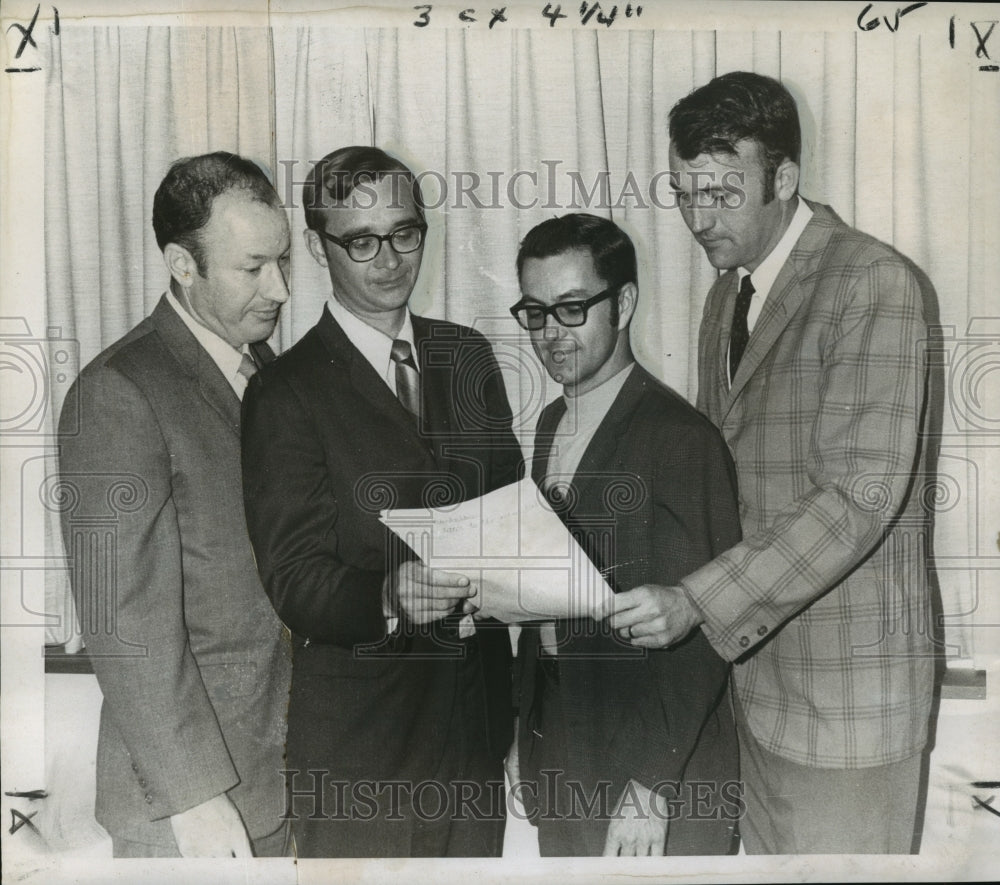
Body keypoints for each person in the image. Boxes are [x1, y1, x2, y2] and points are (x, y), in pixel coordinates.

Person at [608, 71, 938, 853]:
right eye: (685, 193)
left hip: (846, 709)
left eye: (721, 193)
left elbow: (856, 498)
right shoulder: (728, 297)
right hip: (751, 690)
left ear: (784, 179)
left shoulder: (873, 281)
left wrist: (693, 598)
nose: (698, 217)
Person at [241, 145, 523, 858]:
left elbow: (513, 515)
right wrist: (392, 592)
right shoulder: (285, 391)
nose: (391, 258)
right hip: (361, 751)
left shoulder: (467, 357)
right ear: (315, 245)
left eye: (406, 232)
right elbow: (294, 577)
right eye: (361, 241)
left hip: (474, 736)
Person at [57, 151, 293, 857]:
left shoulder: (271, 374)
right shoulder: (118, 392)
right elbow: (121, 618)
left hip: (279, 779)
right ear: (182, 265)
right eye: (253, 269)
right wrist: (195, 797)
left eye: (282, 262)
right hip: (191, 812)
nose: (279, 288)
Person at [508, 213, 742, 857]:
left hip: (656, 770)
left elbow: (710, 624)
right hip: (565, 743)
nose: (551, 333)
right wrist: (526, 733)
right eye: (535, 312)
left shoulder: (681, 438)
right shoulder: (552, 422)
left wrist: (651, 784)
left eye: (573, 308)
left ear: (626, 301)